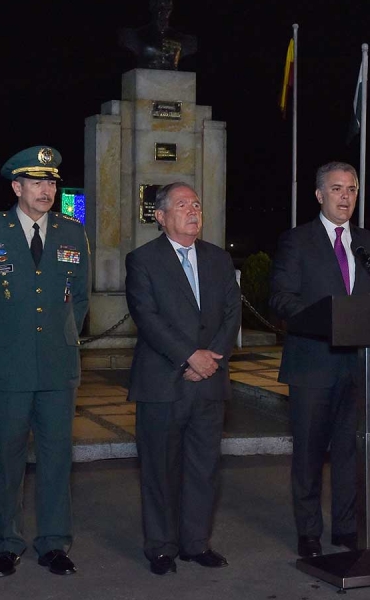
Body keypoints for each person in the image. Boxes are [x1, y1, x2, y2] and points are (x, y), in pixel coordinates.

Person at [0, 146, 91, 578]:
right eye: (36, 182)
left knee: (56, 458)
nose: (46, 189)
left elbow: (81, 299)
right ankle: (6, 543)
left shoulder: (73, 232)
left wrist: (62, 339)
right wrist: (0, 342)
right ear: (17, 187)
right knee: (7, 458)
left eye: (51, 182)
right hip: (5, 367)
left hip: (57, 367)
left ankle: (54, 543)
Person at [269, 161, 370, 558]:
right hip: (312, 364)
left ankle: (345, 528)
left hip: (358, 366)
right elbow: (281, 299)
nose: (346, 197)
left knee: (348, 452)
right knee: (309, 454)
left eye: (352, 189)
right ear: (319, 195)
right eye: (338, 189)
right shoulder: (297, 241)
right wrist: (325, 319)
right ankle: (309, 531)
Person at [124, 182, 241, 575]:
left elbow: (231, 314)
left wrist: (210, 361)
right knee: (160, 469)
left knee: (203, 467)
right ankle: (161, 547)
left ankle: (196, 543)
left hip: (209, 382)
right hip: (162, 383)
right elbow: (147, 317)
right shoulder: (142, 260)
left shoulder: (219, 260)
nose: (193, 211)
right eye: (182, 205)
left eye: (196, 204)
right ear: (160, 217)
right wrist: (189, 356)